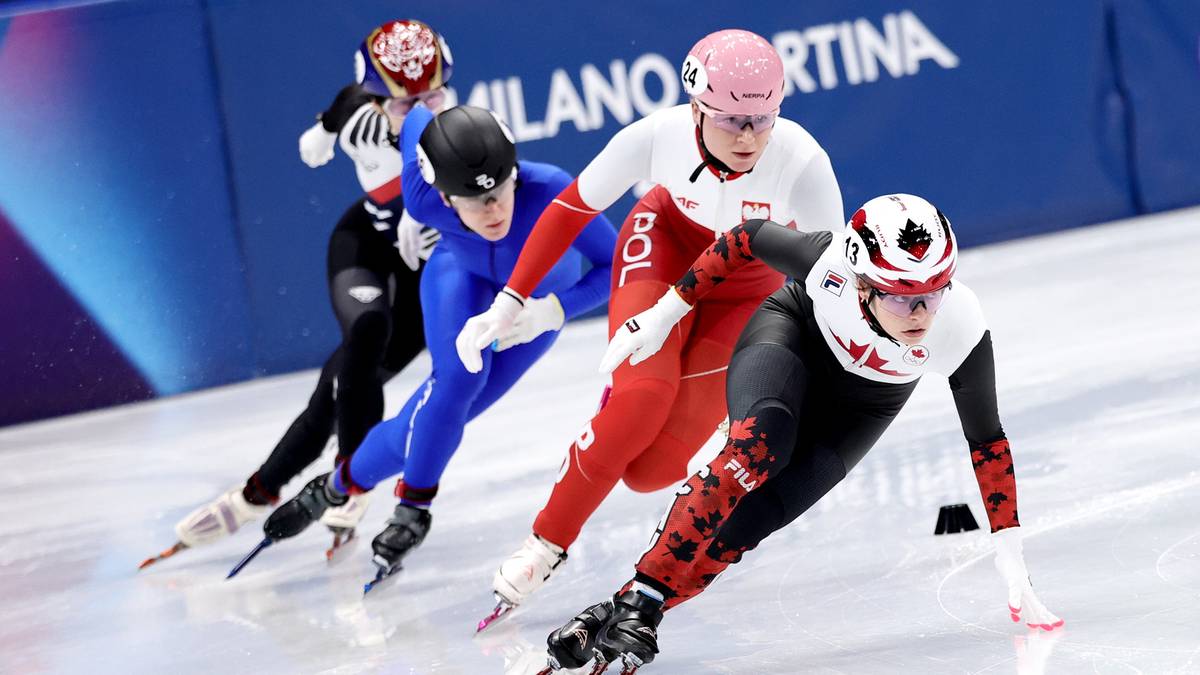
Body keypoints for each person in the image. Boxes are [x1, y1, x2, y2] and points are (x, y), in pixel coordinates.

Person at [540, 194, 1064, 672]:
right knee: (760, 447)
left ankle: (615, 610)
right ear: (861, 283)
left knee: (747, 526)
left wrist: (1010, 552)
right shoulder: (827, 261)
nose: (922, 312)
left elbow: (987, 442)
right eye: (902, 297)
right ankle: (644, 602)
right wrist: (664, 313)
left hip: (863, 407)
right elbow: (745, 235)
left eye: (934, 291)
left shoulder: (961, 327)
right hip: (790, 341)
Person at [454, 29, 844, 612]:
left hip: (745, 290)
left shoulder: (802, 162)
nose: (748, 136)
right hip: (663, 249)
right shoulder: (656, 136)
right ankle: (545, 542)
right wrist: (512, 300)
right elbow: (571, 208)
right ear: (695, 107)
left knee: (650, 471)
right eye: (731, 118)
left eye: (763, 119)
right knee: (640, 403)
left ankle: (607, 435)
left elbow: (828, 280)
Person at [257, 104, 618, 581]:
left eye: (501, 190)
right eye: (473, 200)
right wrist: (340, 121)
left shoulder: (551, 188)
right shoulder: (421, 194)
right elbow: (409, 118)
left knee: (432, 419)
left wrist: (553, 310)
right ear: (443, 198)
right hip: (460, 276)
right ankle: (413, 509)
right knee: (455, 384)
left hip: (535, 304)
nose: (493, 210)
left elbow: (615, 265)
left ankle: (336, 485)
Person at [144, 20, 452, 567]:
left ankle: (253, 494)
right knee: (367, 327)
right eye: (408, 104)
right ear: (377, 101)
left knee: (338, 392)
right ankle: (352, 480)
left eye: (435, 95)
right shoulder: (357, 107)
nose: (425, 110)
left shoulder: (461, 136)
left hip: (419, 277)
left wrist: (448, 222)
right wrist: (324, 136)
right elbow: (318, 140)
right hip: (362, 243)